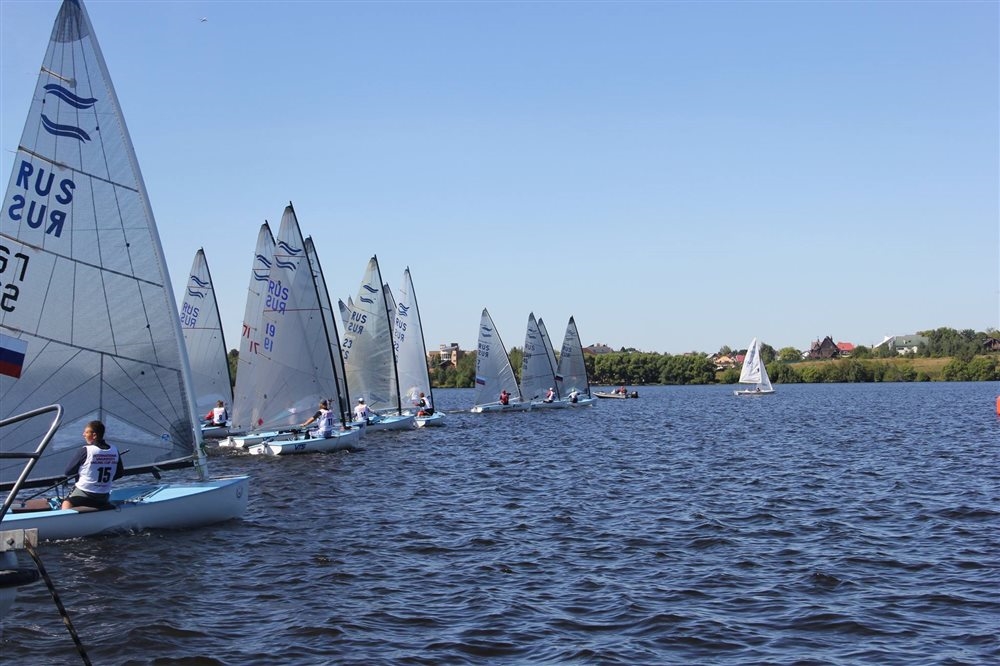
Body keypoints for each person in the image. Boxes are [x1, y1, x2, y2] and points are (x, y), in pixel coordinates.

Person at [61, 420, 125, 512]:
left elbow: (68, 472)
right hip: (103, 496)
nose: (83, 434)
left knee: (66, 503)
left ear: (94, 435)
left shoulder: (85, 450)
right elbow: (119, 474)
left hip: (84, 494)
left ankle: (68, 518)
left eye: (86, 432)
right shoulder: (114, 450)